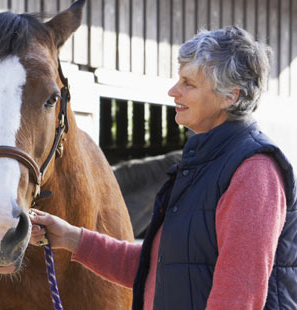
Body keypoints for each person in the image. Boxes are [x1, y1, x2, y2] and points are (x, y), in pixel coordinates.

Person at [30, 26, 297, 309]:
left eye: (188, 83)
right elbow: (159, 267)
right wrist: (71, 237)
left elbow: (237, 298)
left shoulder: (254, 172)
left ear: (230, 96)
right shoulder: (202, 165)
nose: (173, 91)